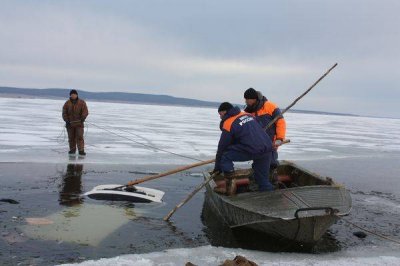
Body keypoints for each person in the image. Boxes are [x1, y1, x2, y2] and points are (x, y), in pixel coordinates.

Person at [213, 102, 274, 195]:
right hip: (267, 147)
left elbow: (222, 148)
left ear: (225, 112)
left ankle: (230, 187)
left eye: (220, 114)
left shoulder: (228, 123)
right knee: (263, 179)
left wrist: (218, 167)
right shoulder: (248, 115)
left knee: (225, 156)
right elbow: (259, 126)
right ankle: (270, 200)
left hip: (253, 149)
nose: (220, 117)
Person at [244, 88, 286, 169]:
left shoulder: (270, 106)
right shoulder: (248, 112)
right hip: (257, 145)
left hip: (271, 143)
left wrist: (279, 138)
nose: (245, 101)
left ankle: (273, 179)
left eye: (247, 99)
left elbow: (280, 122)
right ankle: (258, 180)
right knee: (258, 165)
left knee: (272, 164)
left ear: (253, 99)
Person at [62, 89, 89, 156]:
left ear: (77, 95)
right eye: (72, 94)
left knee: (79, 137)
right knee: (71, 138)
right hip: (70, 124)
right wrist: (66, 120)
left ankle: (81, 150)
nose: (73, 95)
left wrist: (83, 117)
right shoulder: (67, 103)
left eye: (74, 94)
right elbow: (64, 113)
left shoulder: (82, 102)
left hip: (79, 124)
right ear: (70, 95)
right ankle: (72, 150)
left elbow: (85, 111)